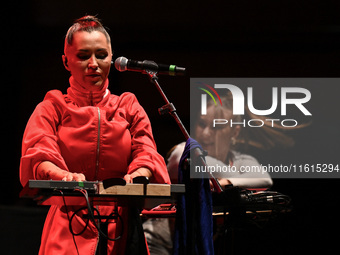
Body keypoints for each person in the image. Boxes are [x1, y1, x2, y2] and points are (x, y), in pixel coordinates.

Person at [20, 15, 170, 255]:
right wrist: (65, 176)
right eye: (83, 56)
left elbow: (147, 151)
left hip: (121, 227)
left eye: (101, 55)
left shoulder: (128, 106)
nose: (93, 64)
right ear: (66, 61)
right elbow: (39, 154)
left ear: (112, 58)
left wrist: (139, 174)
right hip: (69, 225)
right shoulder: (52, 107)